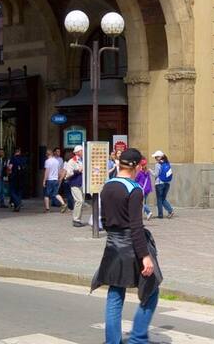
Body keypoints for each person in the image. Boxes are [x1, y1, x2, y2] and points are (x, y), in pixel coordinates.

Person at [92, 148, 162, 344]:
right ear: (136, 166)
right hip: (131, 246)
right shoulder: (134, 189)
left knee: (115, 294)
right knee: (151, 288)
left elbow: (104, 220)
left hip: (112, 246)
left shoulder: (107, 186)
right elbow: (136, 226)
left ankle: (112, 341)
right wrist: (145, 256)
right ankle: (138, 339)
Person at [67, 147, 89, 228]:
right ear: (77, 152)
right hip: (74, 183)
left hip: (82, 183)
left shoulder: (83, 160)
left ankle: (78, 220)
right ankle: (76, 220)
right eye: (81, 151)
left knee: (81, 201)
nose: (83, 152)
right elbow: (69, 173)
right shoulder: (72, 161)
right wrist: (78, 170)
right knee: (79, 201)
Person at [152, 151, 175, 219]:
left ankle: (160, 214)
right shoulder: (167, 163)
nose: (155, 158)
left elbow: (156, 174)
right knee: (163, 198)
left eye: (156, 157)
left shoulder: (157, 164)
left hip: (159, 183)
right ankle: (170, 210)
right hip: (167, 183)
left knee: (159, 199)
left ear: (160, 157)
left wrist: (150, 171)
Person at [42, 148, 64, 214]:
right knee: (56, 193)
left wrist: (44, 180)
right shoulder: (57, 161)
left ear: (47, 154)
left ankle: (47, 209)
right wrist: (60, 178)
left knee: (46, 195)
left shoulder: (47, 161)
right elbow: (59, 170)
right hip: (55, 179)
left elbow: (47, 171)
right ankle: (63, 203)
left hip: (49, 179)